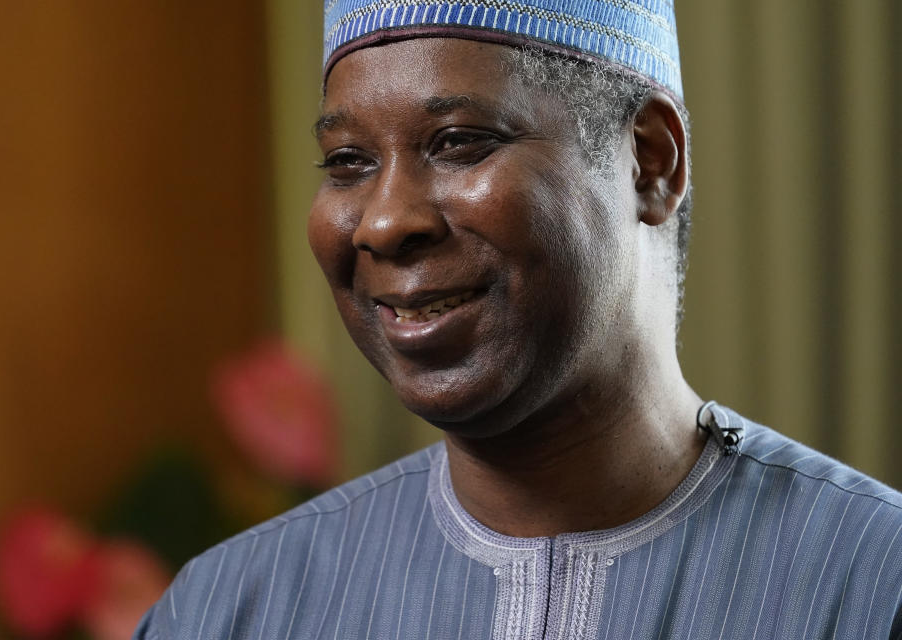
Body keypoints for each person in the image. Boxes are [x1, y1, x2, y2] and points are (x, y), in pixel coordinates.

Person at [134, 2, 902, 638]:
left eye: (458, 142)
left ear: (649, 161)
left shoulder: (873, 582)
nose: (382, 223)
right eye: (348, 162)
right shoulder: (231, 609)